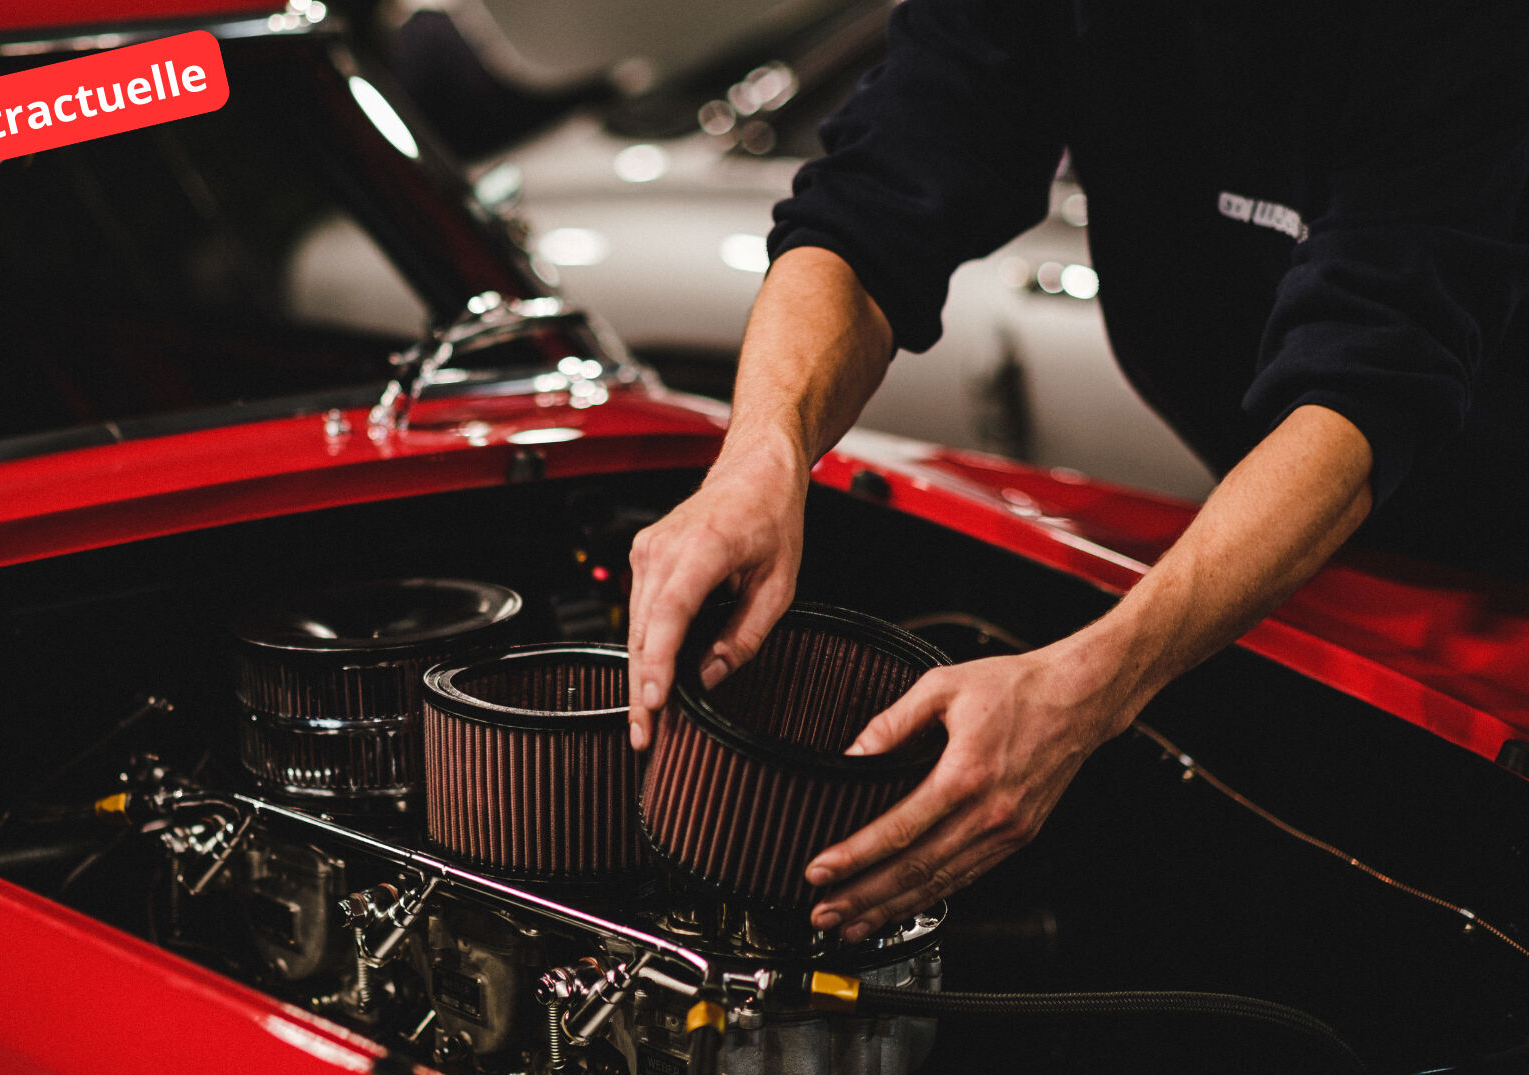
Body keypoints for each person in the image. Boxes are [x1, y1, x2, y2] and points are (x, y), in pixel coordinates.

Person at [625, 0, 1529, 945]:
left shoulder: (1454, 28)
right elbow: (868, 209)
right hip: (1312, 529)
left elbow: (1371, 377)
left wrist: (1089, 688)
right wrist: (758, 458)